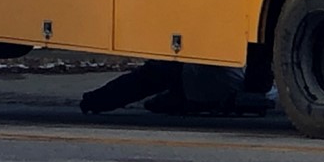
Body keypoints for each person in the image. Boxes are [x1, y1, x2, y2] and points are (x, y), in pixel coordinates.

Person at [79, 61, 275, 116]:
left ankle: (94, 101)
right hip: (203, 89)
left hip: (198, 76)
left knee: (150, 76)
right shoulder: (269, 90)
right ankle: (95, 101)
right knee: (153, 88)